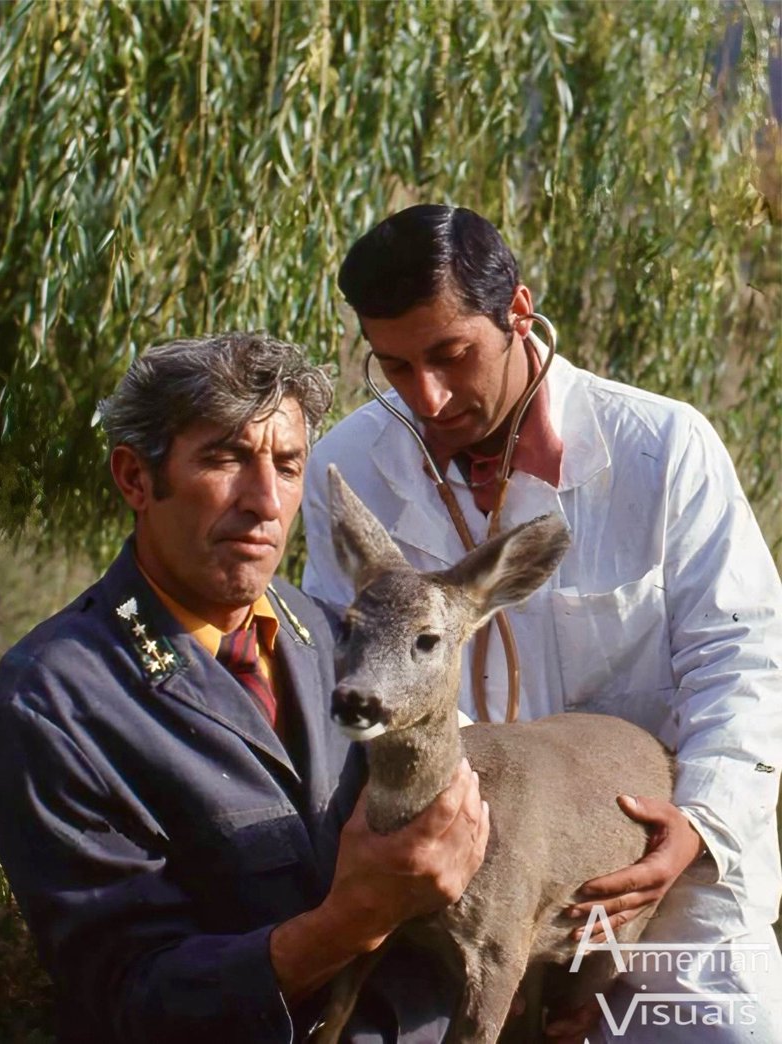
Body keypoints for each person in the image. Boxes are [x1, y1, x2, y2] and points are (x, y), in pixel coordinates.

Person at [301, 204, 782, 1042]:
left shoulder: (662, 448)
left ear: (519, 313)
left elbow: (742, 655)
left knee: (717, 1030)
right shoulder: (345, 467)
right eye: (396, 368)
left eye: (453, 355)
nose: (430, 395)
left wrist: (697, 825)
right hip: (449, 881)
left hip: (646, 878)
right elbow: (348, 665)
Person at [0, 332, 489, 1043]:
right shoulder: (57, 701)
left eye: (287, 466)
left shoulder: (343, 640)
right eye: (224, 458)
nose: (265, 502)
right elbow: (134, 996)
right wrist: (353, 919)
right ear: (134, 477)